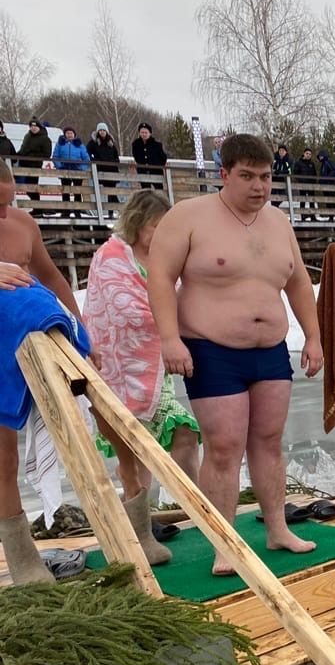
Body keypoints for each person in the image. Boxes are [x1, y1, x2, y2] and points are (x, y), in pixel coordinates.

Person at [146, 133, 323, 577]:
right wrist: (170, 338)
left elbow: (298, 282)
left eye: (265, 177)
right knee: (224, 448)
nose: (258, 187)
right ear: (223, 174)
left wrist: (314, 336)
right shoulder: (188, 216)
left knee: (268, 442)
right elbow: (161, 278)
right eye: (247, 176)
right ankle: (224, 543)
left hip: (270, 351)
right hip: (211, 348)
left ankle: (278, 528)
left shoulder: (279, 223)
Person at [82, 191, 201, 566]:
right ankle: (138, 525)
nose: (160, 233)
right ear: (137, 223)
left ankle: (194, 508)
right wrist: (165, 319)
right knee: (134, 450)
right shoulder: (112, 257)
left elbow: (183, 297)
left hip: (156, 366)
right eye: (155, 226)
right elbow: (116, 306)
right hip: (118, 366)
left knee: (184, 431)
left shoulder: (168, 257)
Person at [0, 158, 87, 584]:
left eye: (7, 201)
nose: (3, 212)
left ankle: (25, 560)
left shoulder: (21, 224)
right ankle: (20, 559)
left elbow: (53, 279)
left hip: (23, 349)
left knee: (10, 456)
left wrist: (79, 326)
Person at [52, 127, 90, 209]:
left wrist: (81, 168)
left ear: (74, 134)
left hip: (77, 170)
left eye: (71, 133)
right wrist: (60, 167)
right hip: (64, 169)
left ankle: (78, 210)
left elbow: (86, 159)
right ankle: (66, 211)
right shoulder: (60, 144)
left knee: (77, 191)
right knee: (65, 191)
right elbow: (55, 157)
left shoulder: (80, 144)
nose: (69, 135)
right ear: (65, 134)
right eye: (67, 133)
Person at [16, 120, 51, 207]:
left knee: (32, 188)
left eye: (35, 126)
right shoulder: (27, 136)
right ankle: (36, 207)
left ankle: (37, 207)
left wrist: (32, 155)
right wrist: (16, 155)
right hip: (23, 165)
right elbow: (23, 149)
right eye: (31, 126)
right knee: (25, 187)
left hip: (34, 166)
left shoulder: (45, 139)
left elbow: (47, 154)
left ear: (39, 127)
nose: (33, 128)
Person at [87, 123, 121, 204]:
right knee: (109, 190)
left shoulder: (110, 142)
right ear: (98, 131)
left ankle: (112, 210)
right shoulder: (94, 142)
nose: (102, 132)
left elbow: (116, 154)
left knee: (112, 189)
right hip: (101, 169)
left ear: (107, 131)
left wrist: (116, 162)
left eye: (104, 130)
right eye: (100, 130)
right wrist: (93, 160)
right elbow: (87, 152)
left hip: (112, 169)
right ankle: (117, 208)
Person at [131, 122, 167, 189]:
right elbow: (135, 156)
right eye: (142, 132)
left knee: (159, 192)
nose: (144, 134)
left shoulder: (157, 145)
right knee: (146, 192)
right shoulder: (136, 144)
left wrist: (157, 166)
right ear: (139, 133)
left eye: (146, 132)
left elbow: (163, 158)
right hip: (143, 172)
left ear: (150, 133)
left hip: (156, 173)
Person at [292, 147, 318, 221]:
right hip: (302, 184)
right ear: (304, 154)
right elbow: (295, 173)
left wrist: (314, 182)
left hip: (311, 184)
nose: (308, 155)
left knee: (312, 201)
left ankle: (313, 216)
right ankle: (302, 216)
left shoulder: (312, 164)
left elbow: (314, 174)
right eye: (307, 153)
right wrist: (300, 180)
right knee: (302, 200)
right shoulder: (298, 163)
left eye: (310, 154)